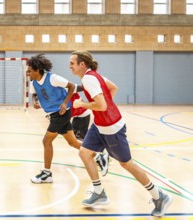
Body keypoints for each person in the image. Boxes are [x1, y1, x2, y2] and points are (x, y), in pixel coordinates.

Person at [69, 50, 172, 217]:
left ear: (82, 64)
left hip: (112, 128)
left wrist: (83, 103)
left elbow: (101, 106)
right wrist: (106, 105)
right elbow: (113, 88)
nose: (69, 66)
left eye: (72, 63)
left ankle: (159, 196)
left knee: (127, 164)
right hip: (99, 125)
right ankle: (99, 192)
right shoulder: (94, 75)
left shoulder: (89, 79)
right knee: (84, 152)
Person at [27, 54, 109, 184]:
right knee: (73, 142)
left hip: (61, 113)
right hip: (52, 115)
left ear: (37, 70)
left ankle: (46, 173)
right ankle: (99, 154)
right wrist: (35, 101)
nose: (28, 73)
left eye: (30, 70)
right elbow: (35, 94)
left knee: (46, 141)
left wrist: (65, 103)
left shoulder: (52, 78)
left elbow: (71, 86)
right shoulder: (33, 83)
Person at [70, 88, 109, 177]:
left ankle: (100, 154)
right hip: (79, 115)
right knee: (79, 138)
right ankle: (98, 154)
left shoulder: (67, 89)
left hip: (82, 114)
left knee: (78, 138)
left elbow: (77, 88)